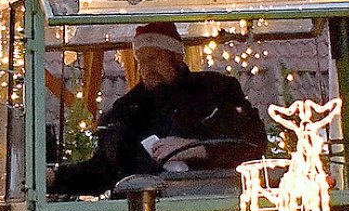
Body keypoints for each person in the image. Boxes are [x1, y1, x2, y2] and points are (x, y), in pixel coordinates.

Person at [49, 21, 266, 196]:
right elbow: (103, 170)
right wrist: (54, 178)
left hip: (211, 209)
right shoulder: (126, 110)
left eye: (154, 58)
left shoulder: (216, 90)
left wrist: (199, 148)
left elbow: (253, 141)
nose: (147, 68)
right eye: (141, 61)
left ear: (177, 57)